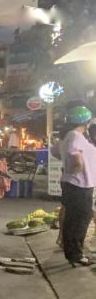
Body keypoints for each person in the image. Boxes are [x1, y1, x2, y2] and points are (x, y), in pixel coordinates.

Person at [58, 105, 96, 266]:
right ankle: (75, 254)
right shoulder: (75, 136)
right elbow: (77, 161)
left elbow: (57, 152)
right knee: (80, 220)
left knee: (76, 219)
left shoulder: (71, 136)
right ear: (86, 122)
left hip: (77, 185)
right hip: (79, 185)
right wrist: (74, 172)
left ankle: (74, 253)